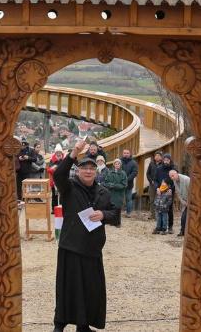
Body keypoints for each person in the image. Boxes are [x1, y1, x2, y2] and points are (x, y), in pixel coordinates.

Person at [52, 139, 119, 332]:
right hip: (71, 247)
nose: (88, 171)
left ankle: (83, 324)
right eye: (84, 168)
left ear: (95, 171)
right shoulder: (69, 187)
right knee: (67, 288)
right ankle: (60, 324)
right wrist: (74, 152)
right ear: (78, 170)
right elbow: (58, 174)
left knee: (90, 289)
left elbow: (116, 215)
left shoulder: (103, 192)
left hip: (92, 249)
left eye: (91, 168)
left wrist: (103, 215)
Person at [101, 159, 127, 227]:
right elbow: (105, 182)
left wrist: (114, 186)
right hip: (110, 193)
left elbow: (124, 184)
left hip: (119, 194)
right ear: (114, 164)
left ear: (120, 165)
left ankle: (118, 223)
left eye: (118, 164)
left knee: (118, 208)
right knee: (111, 207)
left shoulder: (123, 173)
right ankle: (112, 222)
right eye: (116, 164)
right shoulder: (109, 172)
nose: (117, 165)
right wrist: (110, 185)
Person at [155, 154, 176, 234]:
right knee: (159, 209)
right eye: (165, 160)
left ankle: (170, 227)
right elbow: (155, 179)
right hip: (160, 191)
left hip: (169, 191)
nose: (166, 161)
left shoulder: (173, 169)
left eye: (168, 160)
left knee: (169, 209)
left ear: (170, 160)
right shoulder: (159, 168)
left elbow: (175, 180)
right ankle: (159, 227)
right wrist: (157, 188)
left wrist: (171, 189)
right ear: (163, 160)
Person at [170, 169, 191, 237]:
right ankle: (183, 231)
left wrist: (189, 201)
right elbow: (178, 193)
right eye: (170, 177)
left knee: (188, 217)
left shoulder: (186, 179)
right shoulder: (175, 181)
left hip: (191, 200)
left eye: (173, 176)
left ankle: (187, 232)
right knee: (183, 217)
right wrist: (184, 202)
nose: (172, 178)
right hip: (185, 202)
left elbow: (191, 191)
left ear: (176, 174)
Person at [119, 149, 138, 217]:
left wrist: (126, 179)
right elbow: (116, 170)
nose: (126, 154)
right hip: (119, 183)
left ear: (130, 154)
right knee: (119, 198)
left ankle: (128, 212)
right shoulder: (119, 161)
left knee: (128, 198)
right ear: (122, 154)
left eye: (127, 153)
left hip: (129, 183)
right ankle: (118, 212)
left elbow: (135, 172)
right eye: (124, 153)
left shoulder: (133, 162)